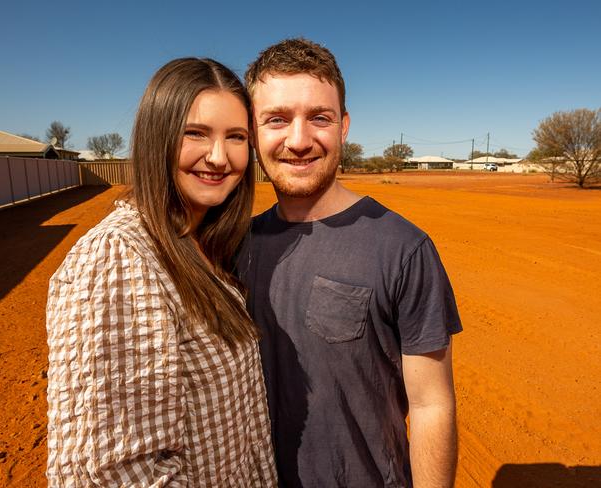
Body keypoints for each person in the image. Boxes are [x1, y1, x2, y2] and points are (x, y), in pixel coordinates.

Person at [237, 38, 462, 487]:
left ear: (343, 126)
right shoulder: (235, 245)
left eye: (319, 118)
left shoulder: (404, 249)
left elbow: (431, 404)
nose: (298, 141)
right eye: (277, 119)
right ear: (253, 131)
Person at [46, 58, 277, 487]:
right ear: (157, 137)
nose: (219, 157)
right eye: (196, 133)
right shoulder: (120, 256)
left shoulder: (200, 243)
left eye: (237, 137)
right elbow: (122, 473)